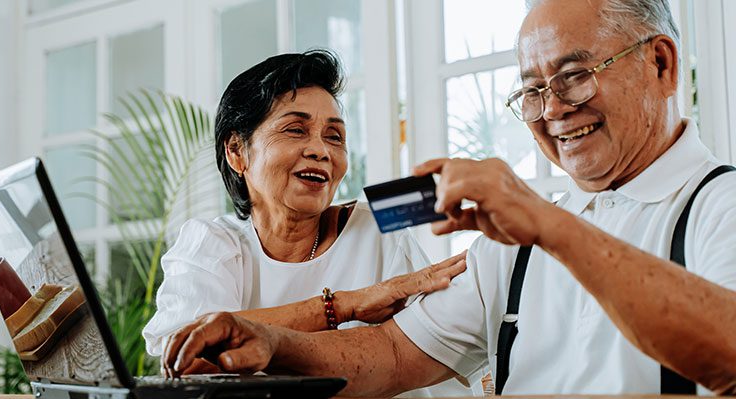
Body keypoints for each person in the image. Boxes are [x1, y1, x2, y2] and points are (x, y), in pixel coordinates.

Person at [158, 0, 736, 396]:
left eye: (575, 75)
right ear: (237, 153)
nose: (553, 109)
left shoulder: (721, 203)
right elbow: (389, 356)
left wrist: (546, 224)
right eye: (533, 91)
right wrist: (271, 342)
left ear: (660, 64)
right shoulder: (516, 244)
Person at [141, 50, 470, 397]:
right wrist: (343, 305)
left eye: (334, 136)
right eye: (296, 130)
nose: (320, 150)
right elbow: (190, 360)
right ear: (237, 151)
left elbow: (436, 353)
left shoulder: (375, 233)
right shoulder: (211, 243)